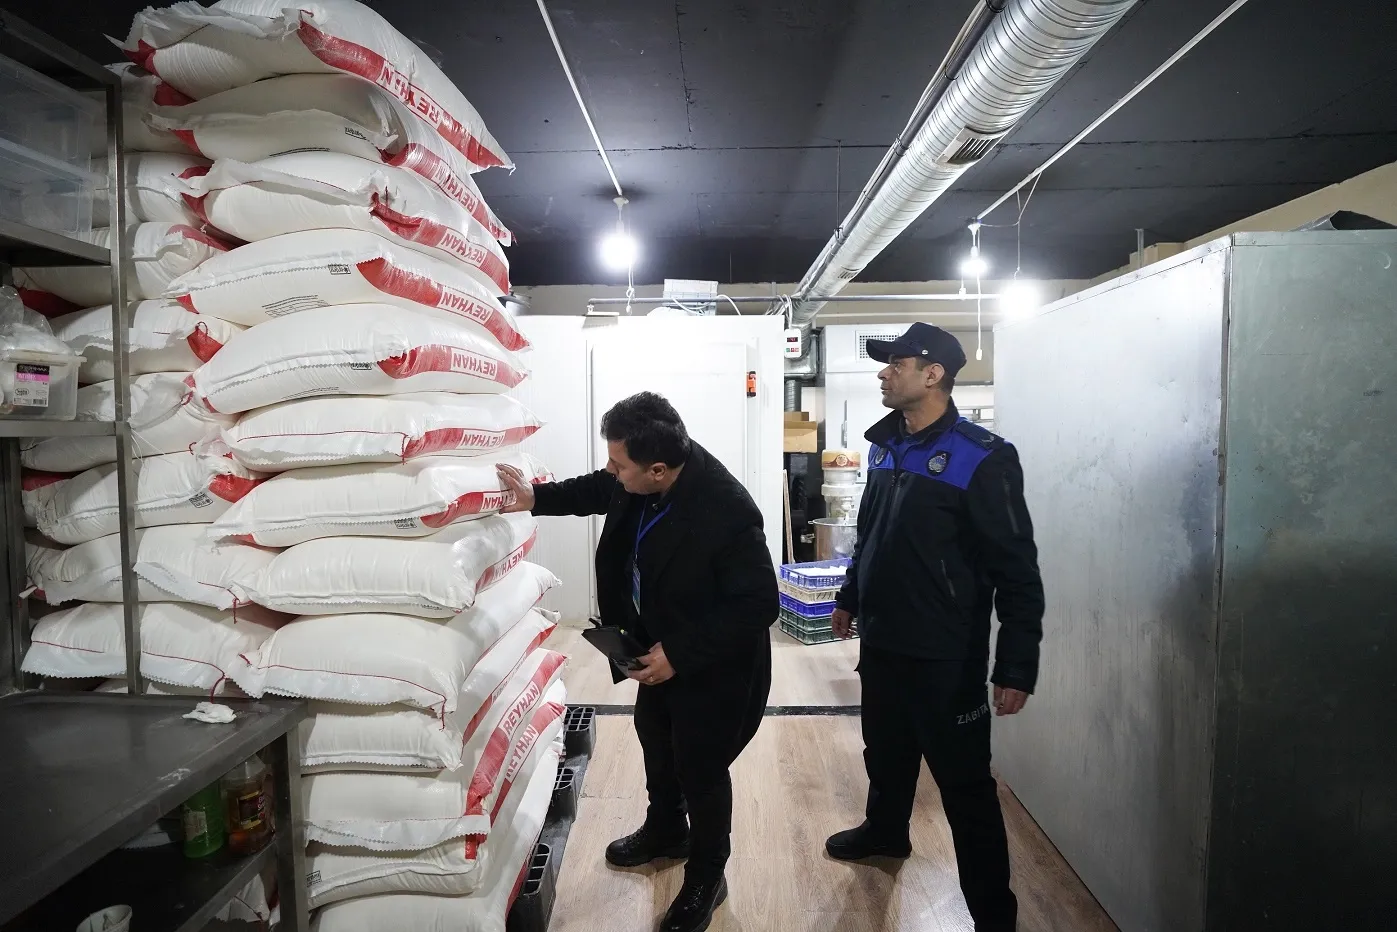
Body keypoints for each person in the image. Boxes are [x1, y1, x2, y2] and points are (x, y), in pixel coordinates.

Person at [497, 391, 778, 932]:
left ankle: (707, 876)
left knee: (701, 767)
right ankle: (667, 829)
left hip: (712, 659)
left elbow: (758, 604)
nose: (611, 472)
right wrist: (534, 497)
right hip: (655, 643)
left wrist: (681, 653)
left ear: (657, 470)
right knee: (655, 736)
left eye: (619, 464)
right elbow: (598, 488)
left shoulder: (726, 511)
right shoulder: (643, 476)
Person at [825, 323, 1044, 932]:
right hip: (884, 641)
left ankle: (993, 915)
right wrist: (850, 595)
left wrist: (1016, 663)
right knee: (885, 753)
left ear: (933, 374)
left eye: (896, 363)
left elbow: (1017, 569)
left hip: (947, 654)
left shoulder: (983, 456)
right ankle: (885, 832)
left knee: (966, 790)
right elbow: (871, 533)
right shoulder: (884, 446)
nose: (883, 372)